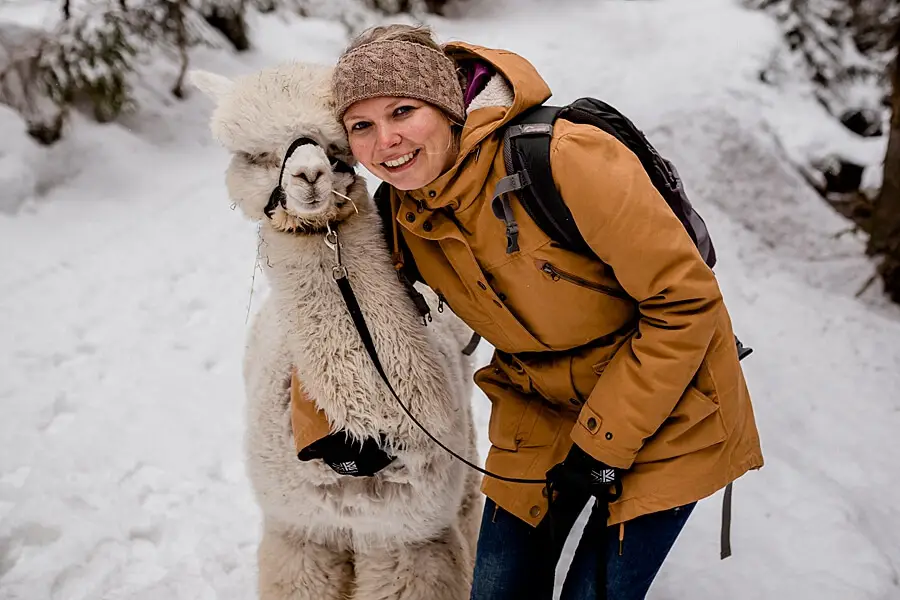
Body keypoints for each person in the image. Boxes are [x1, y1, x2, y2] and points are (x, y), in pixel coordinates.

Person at [318, 24, 763, 600]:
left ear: (448, 106)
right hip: (540, 405)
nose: (387, 142)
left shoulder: (566, 157)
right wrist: (347, 423)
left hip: (670, 403)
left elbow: (686, 303)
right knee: (500, 589)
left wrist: (603, 444)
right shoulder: (401, 212)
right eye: (362, 126)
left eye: (403, 111)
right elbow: (356, 319)